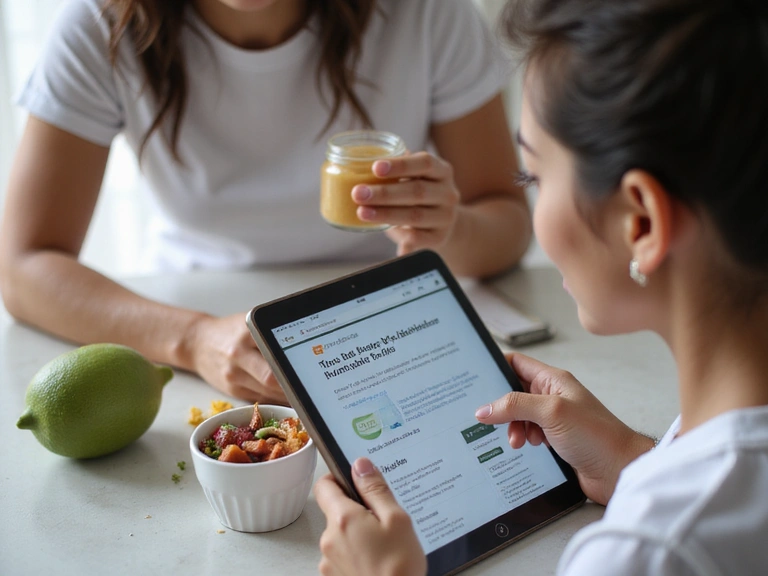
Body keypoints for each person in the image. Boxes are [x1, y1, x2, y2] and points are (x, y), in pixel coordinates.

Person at [314, 0, 768, 574]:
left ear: (642, 223)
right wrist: (636, 460)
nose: (531, 198)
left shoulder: (645, 552)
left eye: (536, 174)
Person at [0, 0, 531, 403]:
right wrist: (192, 337)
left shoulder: (427, 15)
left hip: (383, 331)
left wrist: (449, 232)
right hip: (193, 334)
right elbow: (21, 269)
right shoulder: (102, 23)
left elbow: (507, 221)